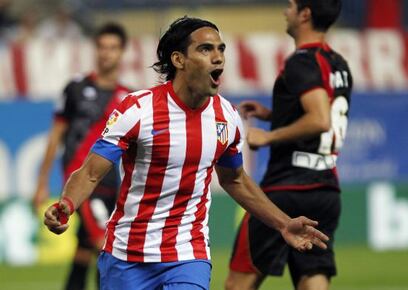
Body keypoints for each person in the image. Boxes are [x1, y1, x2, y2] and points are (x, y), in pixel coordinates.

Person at [43, 16, 329, 290]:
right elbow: (91, 172)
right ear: (178, 60)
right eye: (205, 49)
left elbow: (235, 179)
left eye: (220, 49)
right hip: (127, 255)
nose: (218, 57)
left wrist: (283, 224)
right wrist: (67, 204)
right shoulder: (138, 110)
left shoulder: (226, 117)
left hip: (187, 254)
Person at [225, 1, 353, 290]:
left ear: (305, 14)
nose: (286, 11)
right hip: (326, 189)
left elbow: (320, 119)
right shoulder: (339, 64)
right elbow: (326, 113)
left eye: (292, 5)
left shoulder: (302, 61)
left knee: (237, 284)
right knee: (313, 277)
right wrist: (273, 115)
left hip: (286, 189)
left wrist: (267, 136)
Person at [33, 23, 131, 290]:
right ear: (95, 50)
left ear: (122, 52)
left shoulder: (130, 97)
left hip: (111, 183)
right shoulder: (75, 88)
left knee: (84, 249)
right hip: (81, 180)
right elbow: (56, 136)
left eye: (112, 48)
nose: (106, 54)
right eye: (101, 47)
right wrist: (42, 183)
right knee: (104, 244)